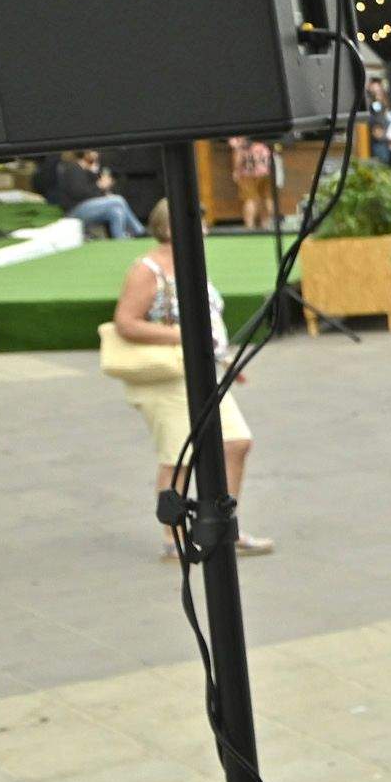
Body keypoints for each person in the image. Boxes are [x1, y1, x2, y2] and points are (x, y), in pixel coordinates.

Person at [104, 199, 271, 557]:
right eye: (199, 222)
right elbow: (127, 322)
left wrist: (224, 362)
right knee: (177, 455)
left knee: (237, 442)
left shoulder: (191, 262)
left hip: (203, 368)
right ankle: (173, 537)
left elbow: (208, 317)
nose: (206, 229)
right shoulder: (147, 269)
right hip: (168, 373)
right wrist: (183, 335)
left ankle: (225, 525)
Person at [47, 151, 147, 240]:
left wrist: (104, 187)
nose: (97, 154)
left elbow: (96, 191)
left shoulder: (90, 171)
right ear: (85, 153)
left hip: (88, 208)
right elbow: (79, 193)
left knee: (116, 211)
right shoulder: (73, 168)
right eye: (93, 152)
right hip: (74, 211)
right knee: (118, 200)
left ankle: (120, 240)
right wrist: (99, 186)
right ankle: (140, 231)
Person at [230, 135, 278, 231]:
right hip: (266, 173)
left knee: (250, 199)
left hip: (248, 175)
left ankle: (249, 225)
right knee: (268, 198)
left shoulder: (243, 146)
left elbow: (238, 157)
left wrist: (236, 171)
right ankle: (269, 224)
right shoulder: (264, 147)